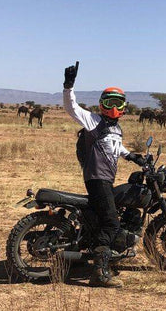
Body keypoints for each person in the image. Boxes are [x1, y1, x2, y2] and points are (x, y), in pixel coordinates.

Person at [63, 61, 145, 288]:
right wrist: (69, 86)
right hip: (97, 179)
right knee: (111, 223)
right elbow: (72, 109)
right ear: (101, 104)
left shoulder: (116, 129)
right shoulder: (94, 121)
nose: (113, 106)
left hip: (106, 180)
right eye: (109, 102)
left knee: (107, 218)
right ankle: (98, 272)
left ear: (124, 106)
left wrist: (133, 157)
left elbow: (116, 148)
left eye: (118, 102)